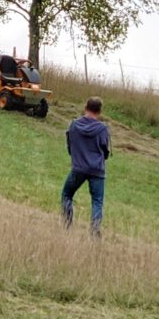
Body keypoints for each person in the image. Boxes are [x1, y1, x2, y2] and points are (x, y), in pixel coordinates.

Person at [61, 97, 111, 238]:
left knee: (67, 194)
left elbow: (70, 144)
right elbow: (105, 150)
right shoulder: (102, 129)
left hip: (79, 168)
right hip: (97, 170)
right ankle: (95, 231)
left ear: (86, 107)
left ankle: (67, 225)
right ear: (99, 111)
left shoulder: (74, 125)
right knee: (97, 201)